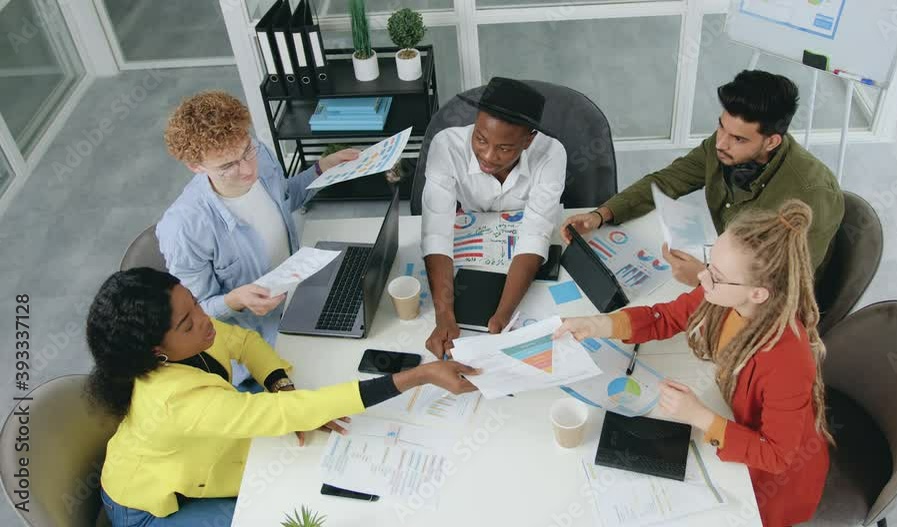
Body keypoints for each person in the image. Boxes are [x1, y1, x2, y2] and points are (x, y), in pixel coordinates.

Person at [90, 268, 478, 526]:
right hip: (150, 506)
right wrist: (418, 375)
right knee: (276, 516)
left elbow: (243, 340)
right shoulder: (172, 401)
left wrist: (282, 388)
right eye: (188, 321)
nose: (206, 319)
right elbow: (275, 413)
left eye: (194, 302)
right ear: (156, 350)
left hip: (201, 463)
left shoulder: (194, 338)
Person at [556, 200, 832, 527]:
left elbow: (776, 456)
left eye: (716, 275)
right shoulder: (723, 297)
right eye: (709, 263)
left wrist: (699, 416)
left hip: (771, 482)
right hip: (736, 424)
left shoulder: (788, 361)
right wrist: (599, 325)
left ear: (758, 293)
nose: (702, 278)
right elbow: (666, 316)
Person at [562, 70, 844, 287]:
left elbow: (788, 284)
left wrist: (705, 278)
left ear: (771, 142)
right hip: (723, 263)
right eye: (721, 127)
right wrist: (601, 214)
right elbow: (668, 180)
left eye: (738, 138)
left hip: (760, 301)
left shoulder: (813, 194)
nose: (721, 143)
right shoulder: (723, 146)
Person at [156, 91, 360, 385]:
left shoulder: (259, 154)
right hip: (259, 345)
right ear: (196, 167)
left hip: (299, 294)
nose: (248, 169)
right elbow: (197, 311)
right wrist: (235, 299)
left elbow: (285, 197)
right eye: (227, 166)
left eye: (246, 151)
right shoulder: (184, 229)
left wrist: (321, 169)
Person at [421, 77, 566, 358]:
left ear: (529, 139)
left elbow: (535, 234)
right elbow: (436, 232)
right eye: (480, 139)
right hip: (469, 243)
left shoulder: (551, 153)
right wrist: (444, 315)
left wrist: (502, 315)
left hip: (519, 257)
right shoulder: (446, 145)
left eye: (504, 148)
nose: (487, 155)